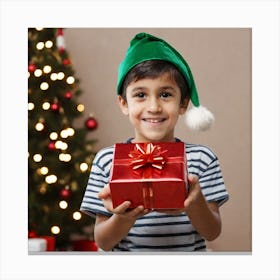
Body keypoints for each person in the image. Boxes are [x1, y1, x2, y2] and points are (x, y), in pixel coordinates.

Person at [80, 32, 229, 252]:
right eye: (140, 95)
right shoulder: (107, 160)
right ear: (124, 104)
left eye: (166, 95)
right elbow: (103, 241)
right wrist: (124, 218)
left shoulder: (201, 159)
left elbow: (212, 232)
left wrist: (194, 203)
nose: (154, 107)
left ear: (183, 103)